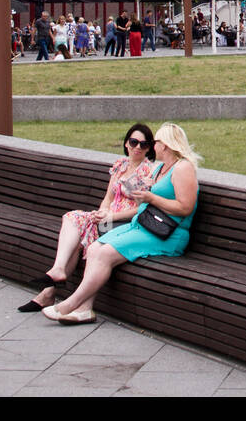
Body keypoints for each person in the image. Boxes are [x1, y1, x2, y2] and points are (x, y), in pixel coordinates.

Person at [44, 123, 200, 325]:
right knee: (93, 249)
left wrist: (151, 198)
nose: (153, 146)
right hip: (144, 225)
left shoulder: (183, 167)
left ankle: (70, 304)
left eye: (156, 142)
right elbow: (148, 198)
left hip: (167, 234)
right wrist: (140, 196)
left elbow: (185, 207)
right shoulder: (160, 168)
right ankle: (84, 309)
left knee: (105, 254)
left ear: (166, 145)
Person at [19, 123, 159, 312]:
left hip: (124, 223)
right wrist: (101, 213)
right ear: (126, 143)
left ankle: (49, 292)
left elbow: (140, 209)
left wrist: (111, 216)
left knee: (77, 227)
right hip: (108, 219)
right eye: (134, 142)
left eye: (144, 144)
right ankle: (54, 279)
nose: (137, 148)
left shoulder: (147, 172)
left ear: (149, 148)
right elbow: (108, 197)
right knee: (73, 221)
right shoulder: (121, 166)